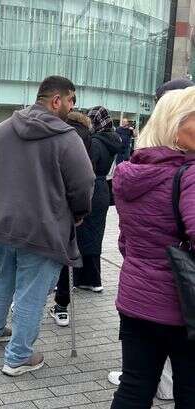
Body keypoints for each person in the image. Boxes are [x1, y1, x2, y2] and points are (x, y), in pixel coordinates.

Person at [0, 76, 94, 376]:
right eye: (71, 100)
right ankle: (18, 356)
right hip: (42, 228)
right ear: (56, 100)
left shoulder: (0, 131)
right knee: (32, 292)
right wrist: (79, 213)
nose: (72, 107)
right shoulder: (67, 138)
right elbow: (84, 184)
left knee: (4, 277)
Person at [109, 86, 195, 409]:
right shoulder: (188, 176)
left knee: (134, 386)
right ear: (177, 124)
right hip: (183, 307)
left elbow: (124, 241)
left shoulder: (134, 172)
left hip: (136, 300)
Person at [71, 106, 123, 292]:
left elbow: (86, 168)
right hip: (103, 190)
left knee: (82, 234)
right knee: (95, 236)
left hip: (91, 188)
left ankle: (80, 279)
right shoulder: (113, 140)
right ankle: (94, 279)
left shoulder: (95, 142)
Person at [50, 111, 93, 326]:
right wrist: (80, 212)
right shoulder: (87, 136)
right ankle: (61, 307)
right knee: (69, 254)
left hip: (51, 201)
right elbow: (86, 177)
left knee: (41, 254)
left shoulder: (58, 133)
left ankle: (23, 301)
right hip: (74, 203)